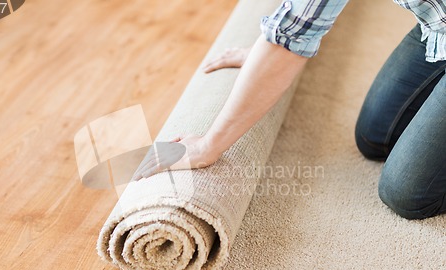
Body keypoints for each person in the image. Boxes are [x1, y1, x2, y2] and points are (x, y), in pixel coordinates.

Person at [134, 0, 446, 219]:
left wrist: (207, 146)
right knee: (376, 138)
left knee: (406, 193)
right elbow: (301, 21)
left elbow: (295, 32)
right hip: (438, 24)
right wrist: (264, 53)